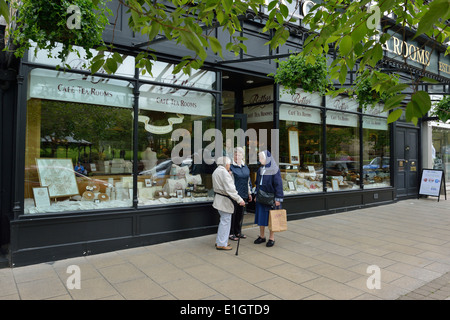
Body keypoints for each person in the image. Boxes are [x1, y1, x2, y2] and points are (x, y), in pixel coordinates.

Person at [212, 156, 245, 250]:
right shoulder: (223, 172)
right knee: (225, 221)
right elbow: (230, 189)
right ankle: (222, 243)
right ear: (226, 164)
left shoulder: (217, 171)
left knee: (223, 221)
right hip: (224, 200)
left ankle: (220, 241)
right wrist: (240, 200)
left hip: (219, 199)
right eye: (229, 164)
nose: (229, 166)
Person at [254, 150, 283, 247]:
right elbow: (257, 183)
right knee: (261, 217)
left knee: (271, 218)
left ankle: (271, 238)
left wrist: (278, 199)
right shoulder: (260, 169)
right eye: (259, 157)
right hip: (261, 197)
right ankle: (262, 236)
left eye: (261, 158)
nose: (259, 159)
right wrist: (256, 194)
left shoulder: (274, 169)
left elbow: (278, 184)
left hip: (270, 198)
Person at [229, 147, 252, 241]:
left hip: (243, 194)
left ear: (242, 156)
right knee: (233, 214)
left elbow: (248, 181)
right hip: (234, 195)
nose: (237, 156)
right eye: (235, 154)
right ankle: (231, 233)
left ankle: (238, 232)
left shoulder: (245, 167)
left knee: (240, 214)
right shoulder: (230, 167)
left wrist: (249, 193)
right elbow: (229, 183)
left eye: (239, 154)